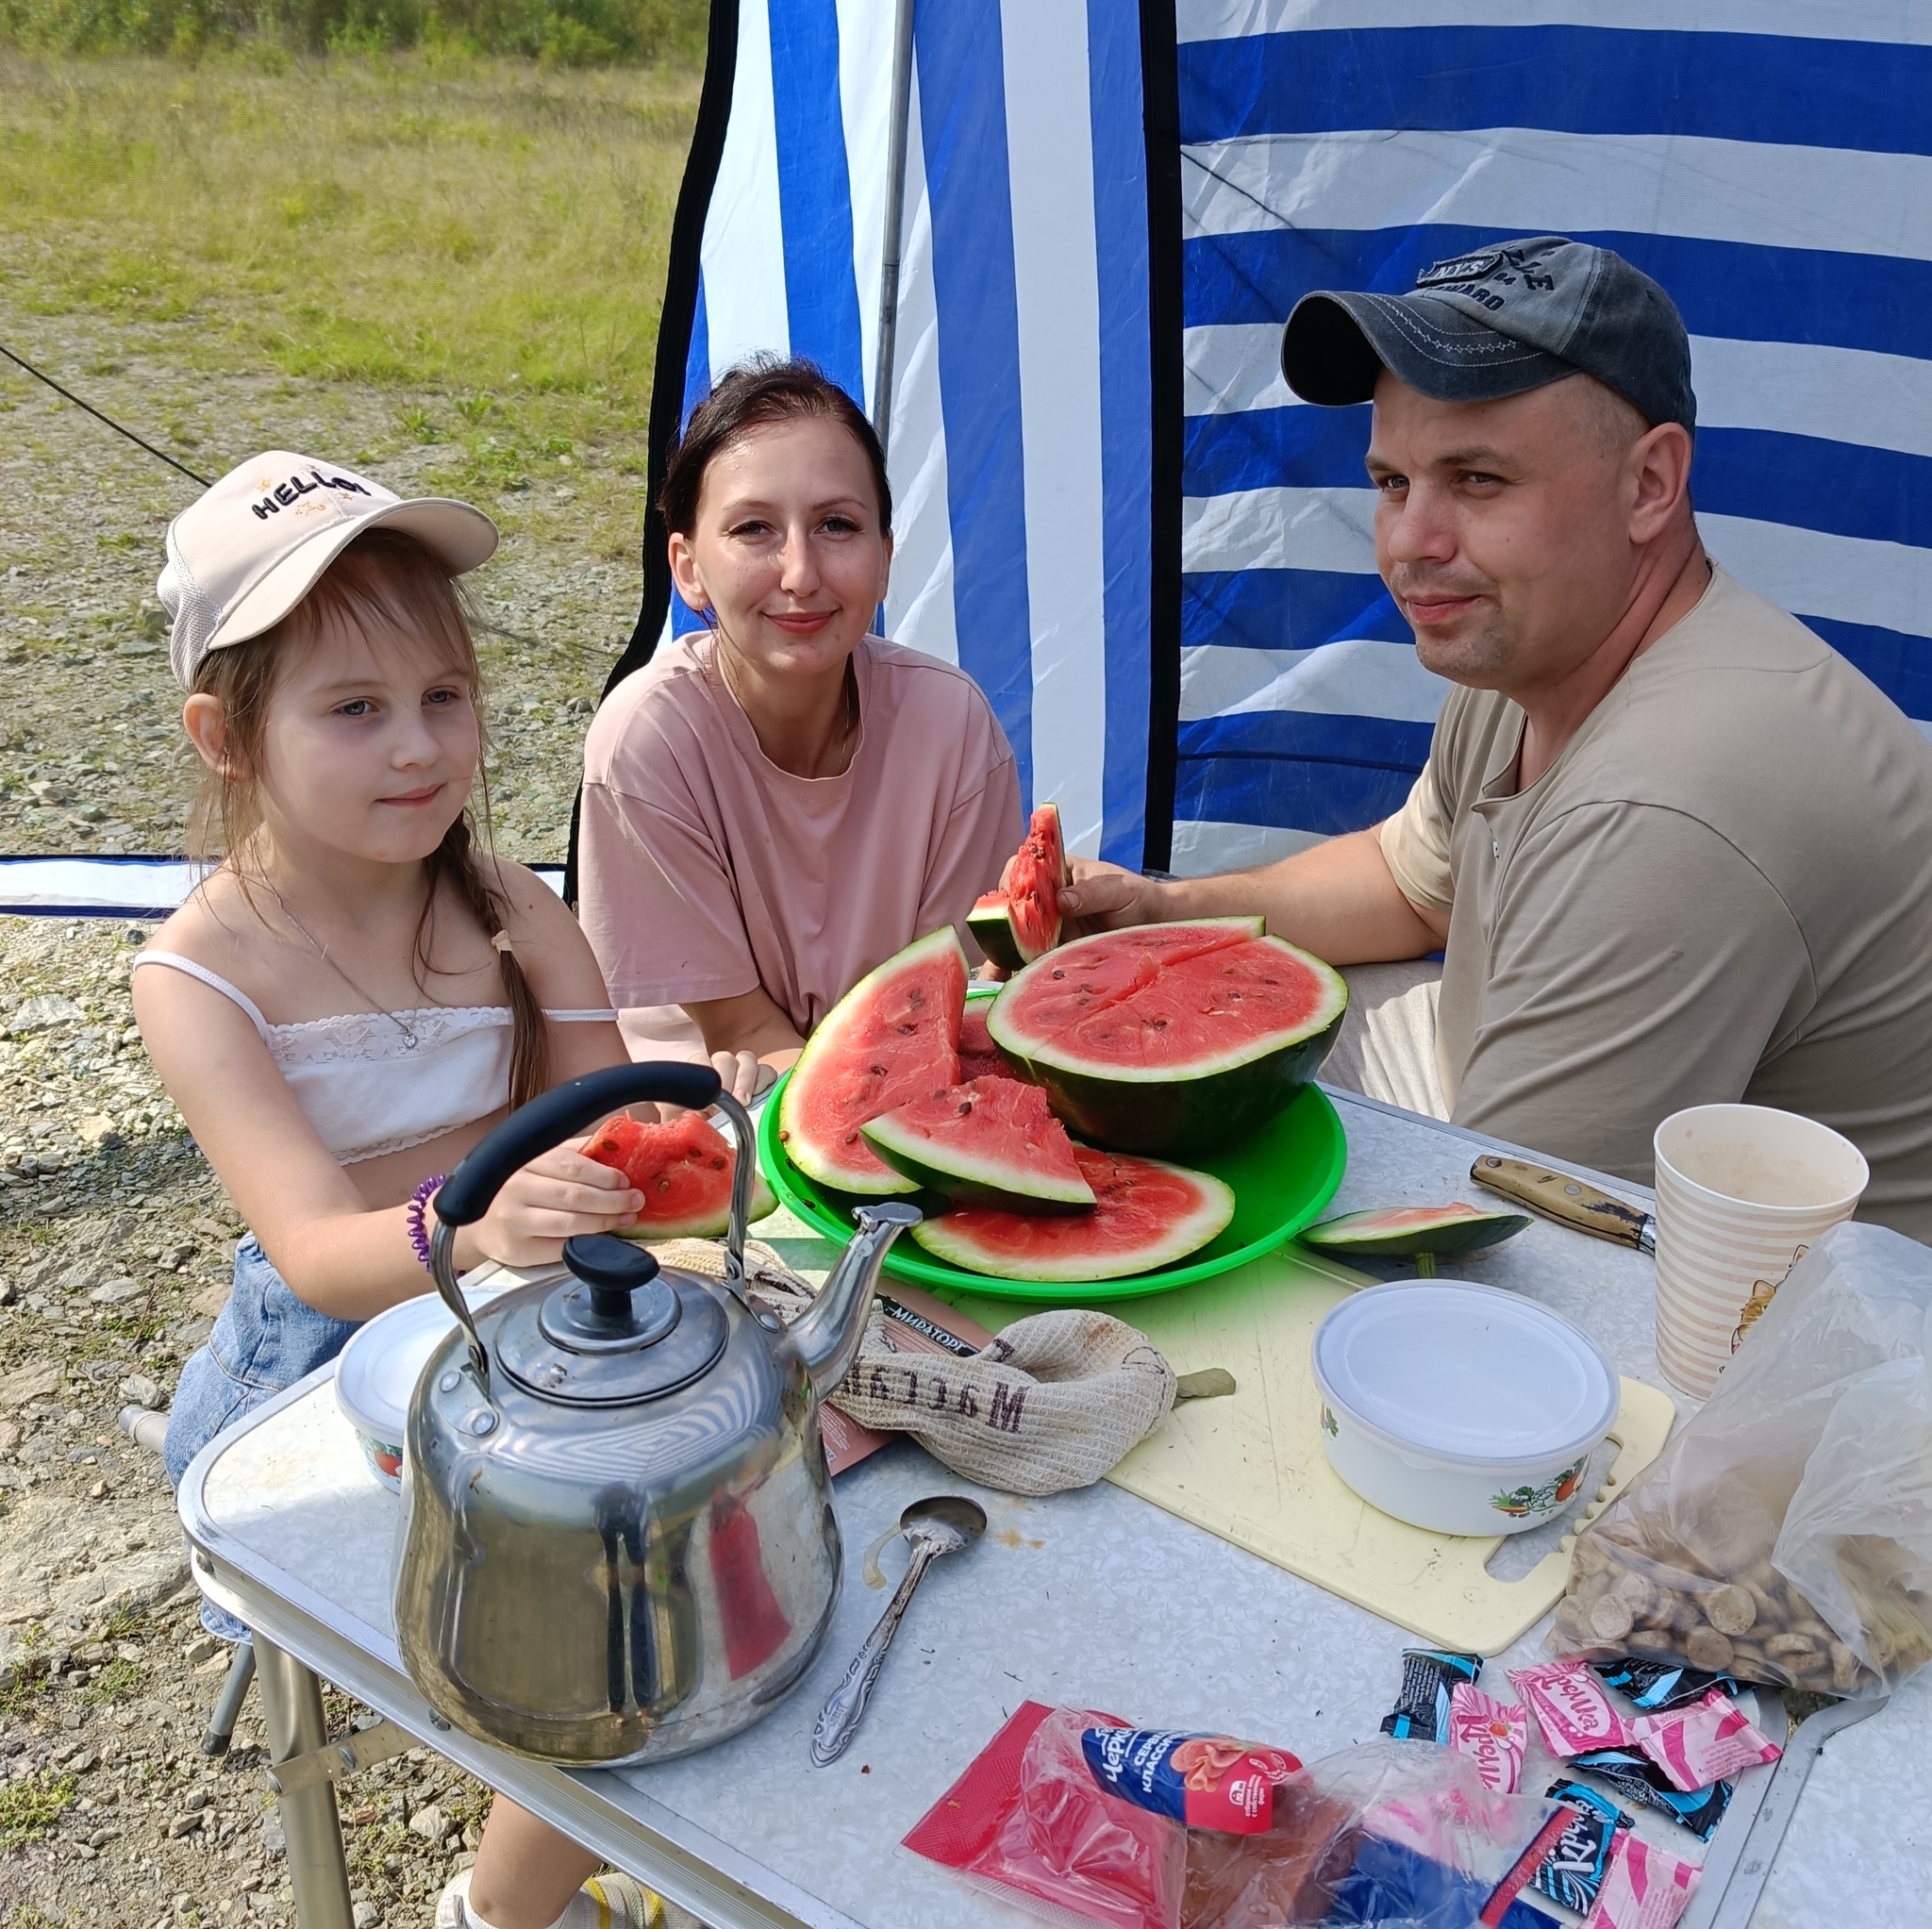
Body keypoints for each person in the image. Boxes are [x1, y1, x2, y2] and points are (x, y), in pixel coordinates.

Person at [1060, 237, 1932, 1239]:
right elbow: (1408, 882)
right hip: (1532, 1138)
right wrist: (1165, 917)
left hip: (1790, 1347)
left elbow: (1520, 1237)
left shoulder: (1663, 807)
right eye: (1391, 482)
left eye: (1474, 480)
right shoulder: (1536, 658)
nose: (1407, 542)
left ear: (1649, 483)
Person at [132, 453, 661, 1929]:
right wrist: (481, 1224)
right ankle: (498, 1914)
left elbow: (615, 1136)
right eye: (353, 709)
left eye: (443, 695)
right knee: (603, 1628)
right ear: (225, 734)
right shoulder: (197, 975)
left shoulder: (510, 906)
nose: (420, 747)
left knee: (684, 1561)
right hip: (311, 1390)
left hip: (523, 1333)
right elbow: (308, 1248)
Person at [578, 357, 1023, 1080]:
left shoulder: (954, 726)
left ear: (884, 557)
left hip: (915, 1083)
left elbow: (951, 1003)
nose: (800, 574)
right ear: (688, 568)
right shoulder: (649, 737)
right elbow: (737, 1026)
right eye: (754, 529)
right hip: (713, 1106)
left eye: (836, 525)